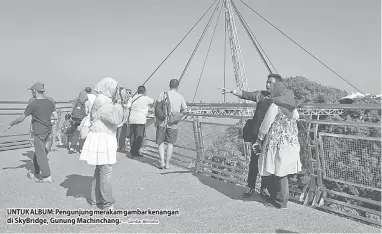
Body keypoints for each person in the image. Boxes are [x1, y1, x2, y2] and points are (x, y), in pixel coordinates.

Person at [221, 74, 283, 198]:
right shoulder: (261, 95)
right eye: (267, 82)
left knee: (267, 163)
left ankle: (264, 188)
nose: (267, 84)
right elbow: (246, 94)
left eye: (270, 83)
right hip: (257, 136)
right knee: (254, 162)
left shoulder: (281, 99)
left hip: (271, 137)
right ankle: (250, 186)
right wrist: (232, 91)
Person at [79, 77, 129, 210]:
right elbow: (115, 119)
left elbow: (119, 120)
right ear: (109, 89)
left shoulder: (100, 100)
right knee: (106, 171)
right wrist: (121, 103)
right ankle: (108, 203)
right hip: (103, 139)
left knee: (100, 170)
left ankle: (97, 200)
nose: (116, 91)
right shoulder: (103, 102)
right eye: (115, 89)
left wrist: (122, 104)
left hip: (100, 138)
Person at [257, 81, 301, 209]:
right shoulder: (291, 104)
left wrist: (260, 138)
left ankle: (280, 201)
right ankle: (279, 200)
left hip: (276, 143)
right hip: (291, 142)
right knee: (283, 172)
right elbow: (296, 117)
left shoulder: (275, 105)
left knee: (276, 171)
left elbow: (266, 123)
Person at [5, 82, 58, 183]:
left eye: (31, 91)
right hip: (48, 131)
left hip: (38, 132)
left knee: (41, 154)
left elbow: (21, 118)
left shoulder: (32, 104)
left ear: (34, 91)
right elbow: (55, 116)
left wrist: (11, 124)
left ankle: (47, 176)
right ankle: (37, 173)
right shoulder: (50, 102)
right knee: (37, 154)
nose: (31, 93)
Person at [155, 79, 187, 169]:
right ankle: (167, 163)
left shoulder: (163, 94)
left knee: (160, 142)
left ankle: (161, 162)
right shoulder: (180, 96)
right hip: (173, 123)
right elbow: (185, 110)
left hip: (161, 122)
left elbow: (157, 107)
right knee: (170, 143)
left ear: (169, 85)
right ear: (177, 86)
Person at [127, 86, 154, 157]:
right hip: (140, 119)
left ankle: (132, 150)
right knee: (139, 136)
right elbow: (153, 102)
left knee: (132, 135)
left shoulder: (133, 98)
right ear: (144, 91)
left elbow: (128, 106)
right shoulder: (146, 98)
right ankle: (135, 152)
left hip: (132, 119)